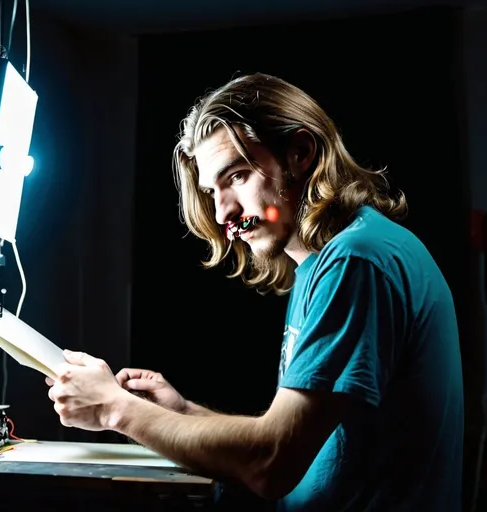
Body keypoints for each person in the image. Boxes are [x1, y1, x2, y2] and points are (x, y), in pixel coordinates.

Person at [46, 72, 464, 511]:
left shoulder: (356, 261)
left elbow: (272, 461)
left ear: (300, 153)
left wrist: (115, 410)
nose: (224, 211)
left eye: (239, 176)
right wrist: (180, 413)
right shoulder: (323, 265)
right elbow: (294, 438)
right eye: (213, 191)